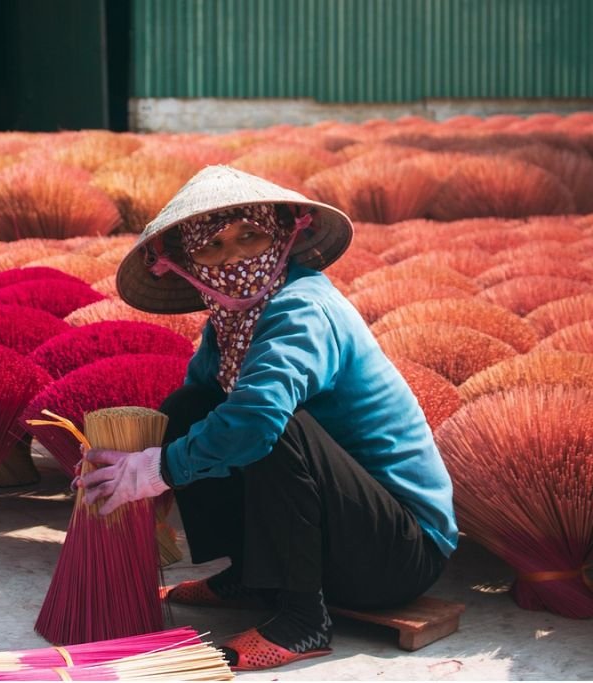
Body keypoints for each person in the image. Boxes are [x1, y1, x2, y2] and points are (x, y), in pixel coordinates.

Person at [79, 165, 458, 671]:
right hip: (340, 536)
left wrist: (158, 469)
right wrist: (129, 461)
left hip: (397, 554)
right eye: (211, 247)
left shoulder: (302, 308)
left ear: (284, 233)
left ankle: (303, 622)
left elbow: (257, 420)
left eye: (250, 236)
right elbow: (197, 408)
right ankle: (249, 576)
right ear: (186, 265)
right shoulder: (231, 322)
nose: (233, 257)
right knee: (190, 409)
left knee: (269, 424)